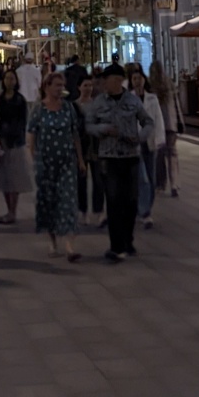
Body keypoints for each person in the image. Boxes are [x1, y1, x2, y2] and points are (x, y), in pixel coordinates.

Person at [83, 63, 154, 262]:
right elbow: (89, 125)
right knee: (113, 201)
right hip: (108, 157)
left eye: (108, 80)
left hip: (130, 156)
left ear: (118, 80)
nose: (104, 83)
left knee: (130, 201)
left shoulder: (132, 100)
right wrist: (103, 129)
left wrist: (140, 137)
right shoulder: (99, 102)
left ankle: (128, 240)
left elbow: (148, 121)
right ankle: (116, 246)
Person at [28, 69, 83, 261]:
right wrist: (34, 159)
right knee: (49, 201)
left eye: (62, 85)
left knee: (68, 201)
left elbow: (74, 133)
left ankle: (70, 246)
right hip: (46, 163)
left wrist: (80, 159)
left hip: (66, 161)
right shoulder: (39, 109)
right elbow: (32, 135)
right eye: (57, 85)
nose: (61, 89)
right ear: (47, 87)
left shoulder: (68, 108)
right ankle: (52, 242)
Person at [0, 67, 34, 223]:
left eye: (12, 78)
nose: (9, 81)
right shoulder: (0, 98)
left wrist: (14, 134)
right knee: (4, 179)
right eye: (7, 78)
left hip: (15, 142)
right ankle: (8, 210)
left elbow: (23, 122)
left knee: (15, 178)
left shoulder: (19, 100)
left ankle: (12, 211)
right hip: (1, 141)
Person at [128, 65, 166, 228]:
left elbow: (158, 119)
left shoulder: (152, 99)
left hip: (150, 142)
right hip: (135, 142)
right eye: (134, 79)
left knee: (151, 177)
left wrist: (159, 138)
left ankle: (145, 208)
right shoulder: (128, 99)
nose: (137, 82)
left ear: (144, 80)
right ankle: (145, 212)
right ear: (131, 81)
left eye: (140, 78)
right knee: (142, 179)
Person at [147, 62, 182, 196]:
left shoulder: (150, 86)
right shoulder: (169, 84)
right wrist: (180, 122)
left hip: (158, 126)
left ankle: (161, 184)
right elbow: (176, 105)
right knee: (172, 154)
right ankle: (175, 183)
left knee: (159, 156)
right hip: (171, 124)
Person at [73, 75, 105, 225]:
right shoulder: (74, 106)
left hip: (96, 146)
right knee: (81, 180)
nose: (88, 88)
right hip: (80, 147)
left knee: (99, 180)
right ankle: (83, 211)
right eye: (85, 85)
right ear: (79, 87)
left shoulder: (97, 105)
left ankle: (98, 211)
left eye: (90, 86)